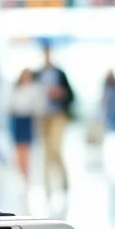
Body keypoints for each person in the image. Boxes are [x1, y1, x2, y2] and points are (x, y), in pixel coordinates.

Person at [35, 42, 74, 197]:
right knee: (45, 152)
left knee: (56, 149)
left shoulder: (60, 74)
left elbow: (70, 95)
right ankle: (47, 186)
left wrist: (59, 93)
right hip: (43, 116)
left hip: (57, 115)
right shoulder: (37, 74)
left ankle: (64, 183)